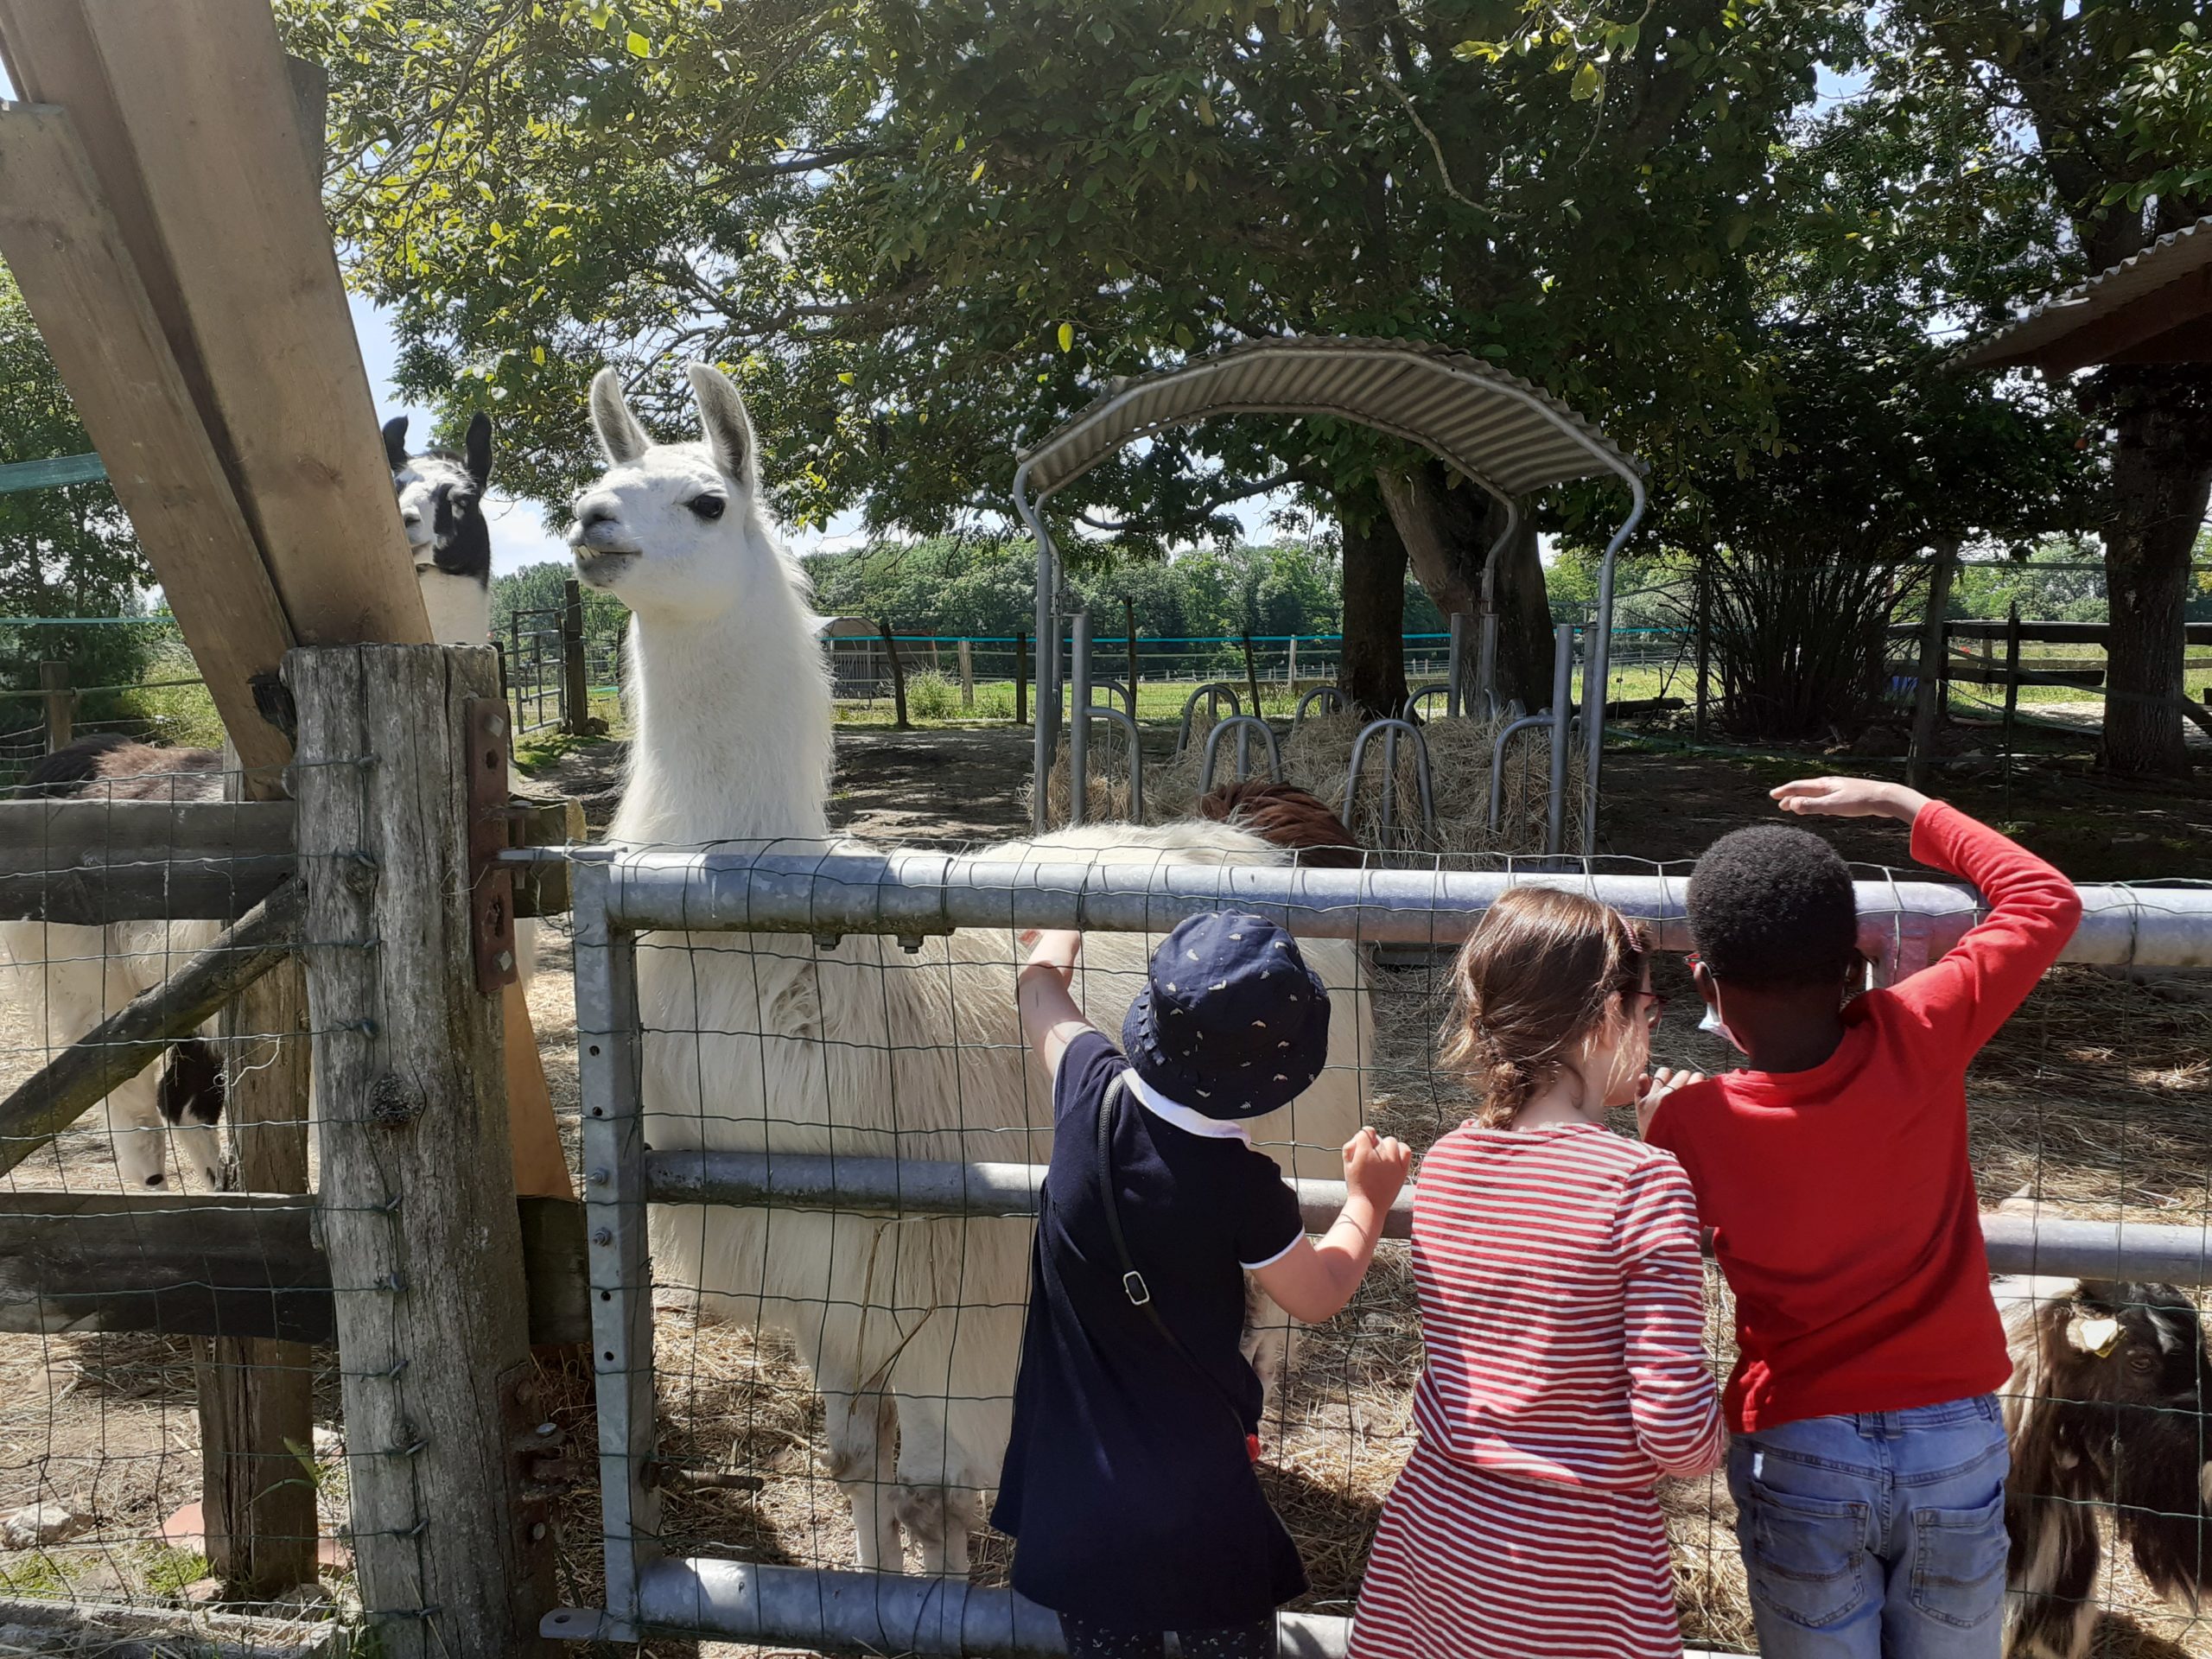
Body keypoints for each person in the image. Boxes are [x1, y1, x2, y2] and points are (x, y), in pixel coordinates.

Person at [1643, 776, 2082, 1659]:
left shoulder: (1688, 1126)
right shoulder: (1917, 1029)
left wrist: (1652, 1132)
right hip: (1953, 1439)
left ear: (1704, 982)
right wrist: (1903, 805)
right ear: (1854, 965)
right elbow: (2045, 898)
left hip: (1800, 1444)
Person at [994, 910, 1412, 1659]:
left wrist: (1057, 940)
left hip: (1078, 1485)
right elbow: (1318, 1292)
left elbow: (1039, 997)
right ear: (1272, 1080)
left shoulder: (1089, 1088)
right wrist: (1367, 1203)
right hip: (1193, 1496)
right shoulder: (1241, 1187)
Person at [1351, 887, 1726, 1659]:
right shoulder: (1646, 1183)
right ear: (1601, 1017)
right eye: (1648, 1011)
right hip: (1575, 1564)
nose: (1651, 1032)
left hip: (1438, 1531)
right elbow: (1676, 1431)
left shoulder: (1450, 1161)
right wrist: (1730, 1441)